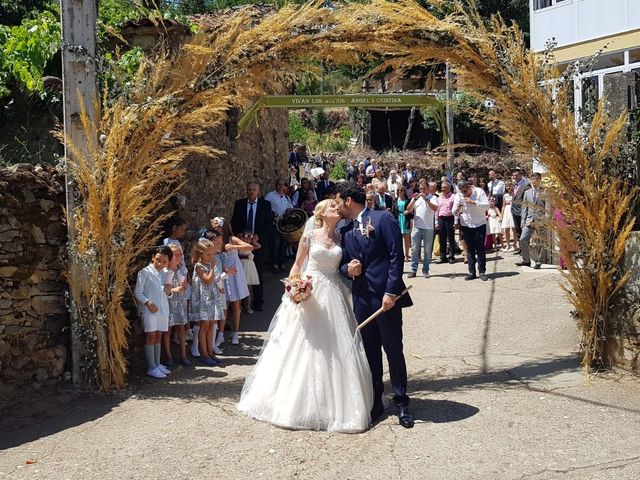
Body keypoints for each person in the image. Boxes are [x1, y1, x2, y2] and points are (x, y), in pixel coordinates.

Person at [237, 200, 374, 433]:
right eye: (332, 206)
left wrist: (352, 267)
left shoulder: (343, 237)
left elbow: (344, 267)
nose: (336, 208)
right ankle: (293, 403)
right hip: (310, 291)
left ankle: (332, 404)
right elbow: (297, 266)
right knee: (303, 344)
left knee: (335, 345)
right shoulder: (309, 236)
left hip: (333, 293)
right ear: (321, 213)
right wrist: (296, 287)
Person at [335, 181, 414, 428]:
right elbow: (342, 264)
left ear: (348, 201)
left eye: (338, 202)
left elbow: (395, 255)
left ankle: (402, 401)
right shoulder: (346, 232)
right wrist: (348, 269)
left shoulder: (382, 218)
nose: (336, 208)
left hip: (385, 298)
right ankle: (376, 400)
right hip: (362, 299)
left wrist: (391, 292)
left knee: (392, 348)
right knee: (370, 351)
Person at [211, 217, 253, 346]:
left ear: (222, 227)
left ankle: (236, 333)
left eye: (216, 227)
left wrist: (232, 246)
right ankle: (221, 334)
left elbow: (250, 246)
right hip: (222, 273)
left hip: (234, 273)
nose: (214, 229)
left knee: (235, 304)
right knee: (224, 305)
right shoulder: (214, 240)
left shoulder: (231, 239)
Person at [231, 181, 272, 311]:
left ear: (258, 191)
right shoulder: (240, 204)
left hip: (258, 243)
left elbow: (268, 223)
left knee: (258, 271)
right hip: (243, 242)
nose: (251, 192)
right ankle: (242, 302)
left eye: (254, 189)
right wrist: (241, 235)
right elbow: (235, 221)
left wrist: (258, 236)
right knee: (242, 272)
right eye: (249, 189)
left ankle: (258, 301)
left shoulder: (265, 205)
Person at [134, 245, 173, 379]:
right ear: (153, 258)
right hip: (150, 310)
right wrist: (147, 302)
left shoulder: (166, 274)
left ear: (168, 262)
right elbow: (138, 292)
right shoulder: (144, 272)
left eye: (164, 262)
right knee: (151, 336)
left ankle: (157, 364)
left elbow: (167, 293)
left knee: (158, 336)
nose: (160, 263)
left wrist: (169, 291)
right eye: (158, 260)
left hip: (163, 309)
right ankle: (152, 367)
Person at [190, 238, 226, 366]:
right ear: (200, 253)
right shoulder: (199, 266)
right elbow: (208, 280)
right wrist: (212, 267)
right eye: (208, 254)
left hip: (211, 299)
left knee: (211, 325)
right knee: (204, 326)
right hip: (203, 301)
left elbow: (214, 280)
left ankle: (210, 352)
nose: (210, 257)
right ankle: (204, 353)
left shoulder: (208, 265)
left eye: (212, 254)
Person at [453, 180, 490, 281]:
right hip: (466, 225)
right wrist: (457, 208)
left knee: (480, 248)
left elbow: (487, 206)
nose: (463, 194)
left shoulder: (479, 192)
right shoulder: (459, 195)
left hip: (479, 224)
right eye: (461, 192)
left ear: (469, 187)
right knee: (470, 249)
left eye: (465, 191)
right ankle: (471, 272)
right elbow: (454, 212)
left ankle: (482, 272)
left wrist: (473, 202)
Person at [163, 244, 191, 367]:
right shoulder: (164, 271)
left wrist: (184, 286)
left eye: (180, 254)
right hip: (167, 303)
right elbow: (162, 289)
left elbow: (185, 284)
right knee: (168, 330)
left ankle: (183, 355)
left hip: (180, 303)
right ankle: (169, 356)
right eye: (176, 254)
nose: (179, 257)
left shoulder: (182, 269)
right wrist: (174, 290)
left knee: (181, 328)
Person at [516, 173, 549, 269]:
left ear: (539, 180)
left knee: (543, 242)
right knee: (523, 239)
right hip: (529, 220)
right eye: (531, 179)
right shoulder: (527, 192)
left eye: (534, 179)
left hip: (541, 220)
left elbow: (547, 207)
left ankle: (539, 261)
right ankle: (526, 260)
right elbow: (524, 207)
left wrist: (546, 220)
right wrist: (523, 220)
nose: (532, 181)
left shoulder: (545, 192)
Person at [406, 180, 438, 278]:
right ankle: (413, 270)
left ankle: (425, 270)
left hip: (428, 227)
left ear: (428, 188)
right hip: (417, 227)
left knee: (428, 251)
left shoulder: (433, 197)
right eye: (420, 189)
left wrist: (427, 200)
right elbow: (408, 209)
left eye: (424, 189)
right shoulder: (416, 198)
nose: (422, 191)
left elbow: (435, 208)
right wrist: (414, 200)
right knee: (415, 249)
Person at [264, 179, 293, 272]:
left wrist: (289, 210)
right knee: (275, 245)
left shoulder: (286, 198)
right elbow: (265, 208)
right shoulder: (270, 196)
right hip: (274, 225)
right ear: (276, 185)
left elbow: (291, 208)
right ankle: (275, 264)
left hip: (284, 226)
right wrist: (272, 213)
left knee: (283, 245)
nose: (281, 186)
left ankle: (282, 263)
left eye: (282, 184)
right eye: (279, 184)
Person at [238, 233, 261, 314]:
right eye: (246, 237)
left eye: (249, 237)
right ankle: (239, 306)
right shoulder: (239, 245)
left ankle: (248, 305)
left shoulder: (251, 245)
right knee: (240, 286)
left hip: (248, 265)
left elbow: (258, 246)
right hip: (240, 265)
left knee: (249, 287)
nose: (247, 239)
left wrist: (253, 240)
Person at [510, 168, 530, 254]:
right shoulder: (514, 184)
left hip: (522, 210)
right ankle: (521, 248)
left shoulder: (526, 185)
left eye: (516, 175)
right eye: (513, 175)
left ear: (521, 175)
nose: (514, 177)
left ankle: (525, 249)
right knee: (518, 230)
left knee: (523, 230)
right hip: (514, 211)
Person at [435, 180, 456, 264]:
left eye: (444, 187)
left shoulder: (453, 197)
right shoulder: (439, 198)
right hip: (441, 219)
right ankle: (443, 256)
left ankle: (451, 256)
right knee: (442, 238)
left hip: (450, 218)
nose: (442, 189)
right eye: (442, 187)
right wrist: (436, 222)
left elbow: (456, 209)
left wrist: (456, 221)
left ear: (449, 188)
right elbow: (437, 210)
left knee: (451, 238)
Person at [396, 186, 411, 262]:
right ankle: (400, 254)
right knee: (398, 238)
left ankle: (407, 254)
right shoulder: (395, 200)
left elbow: (411, 210)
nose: (400, 192)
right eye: (398, 190)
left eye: (401, 190)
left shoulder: (408, 200)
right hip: (398, 219)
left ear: (404, 191)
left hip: (405, 219)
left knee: (406, 238)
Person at [501, 181, 517, 251]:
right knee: (506, 229)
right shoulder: (505, 195)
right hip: (507, 211)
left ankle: (515, 244)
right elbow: (503, 206)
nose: (508, 187)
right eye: (507, 186)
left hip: (513, 210)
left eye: (509, 185)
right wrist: (502, 215)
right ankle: (507, 245)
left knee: (514, 228)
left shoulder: (515, 194)